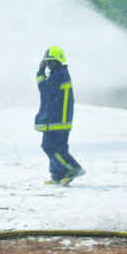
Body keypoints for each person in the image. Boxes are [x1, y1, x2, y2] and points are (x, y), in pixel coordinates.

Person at [35, 46, 85, 185]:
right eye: (47, 62)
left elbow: (44, 89)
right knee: (58, 148)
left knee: (49, 146)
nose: (49, 64)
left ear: (58, 61)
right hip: (55, 119)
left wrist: (40, 71)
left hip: (58, 120)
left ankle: (73, 168)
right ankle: (57, 176)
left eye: (51, 62)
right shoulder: (58, 74)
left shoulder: (60, 75)